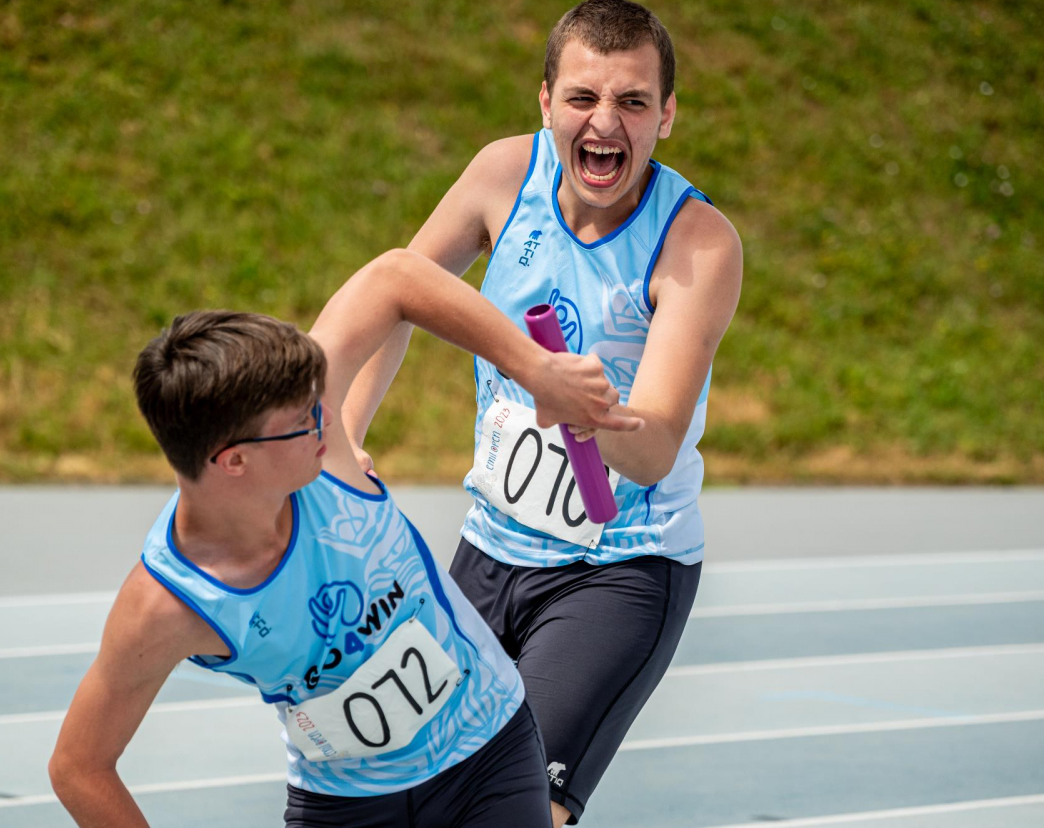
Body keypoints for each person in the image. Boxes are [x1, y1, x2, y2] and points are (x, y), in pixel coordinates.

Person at [48, 249, 641, 827]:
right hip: (346, 806)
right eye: (303, 421)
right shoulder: (167, 605)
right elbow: (79, 767)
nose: (328, 421)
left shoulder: (323, 450)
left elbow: (396, 276)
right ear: (233, 461)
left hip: (489, 754)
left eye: (317, 404)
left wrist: (538, 371)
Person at [342, 0, 744, 827]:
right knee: (404, 797)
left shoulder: (697, 245)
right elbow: (396, 297)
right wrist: (346, 434)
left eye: (633, 102)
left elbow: (655, 451)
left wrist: (587, 409)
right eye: (583, 98)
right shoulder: (502, 176)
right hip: (489, 551)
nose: (606, 123)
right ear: (546, 102)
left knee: (517, 815)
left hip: (619, 568)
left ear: (667, 116)